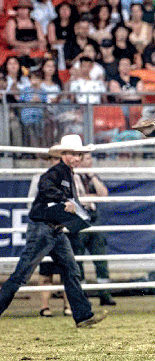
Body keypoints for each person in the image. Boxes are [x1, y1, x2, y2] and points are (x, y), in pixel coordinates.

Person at [0, 135, 108, 327]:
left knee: (70, 270)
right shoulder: (58, 173)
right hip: (44, 228)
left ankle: (83, 316)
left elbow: (48, 189)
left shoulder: (65, 173)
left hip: (53, 230)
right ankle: (82, 315)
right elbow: (45, 186)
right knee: (24, 274)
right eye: (74, 154)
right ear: (64, 154)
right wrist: (64, 200)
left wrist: (67, 208)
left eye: (79, 155)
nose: (77, 158)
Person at [29, 150, 72, 318]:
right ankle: (45, 306)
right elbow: (32, 203)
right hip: (47, 226)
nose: (57, 161)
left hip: (64, 227)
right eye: (54, 158)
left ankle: (69, 305)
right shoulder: (41, 177)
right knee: (45, 269)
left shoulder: (69, 176)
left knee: (68, 268)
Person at [71, 153, 116, 306]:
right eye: (88, 159)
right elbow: (74, 198)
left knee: (101, 258)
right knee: (78, 260)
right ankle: (82, 297)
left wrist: (93, 177)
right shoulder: (72, 176)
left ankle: (105, 294)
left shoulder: (92, 176)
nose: (91, 161)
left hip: (94, 219)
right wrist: (91, 196)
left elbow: (103, 194)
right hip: (78, 220)